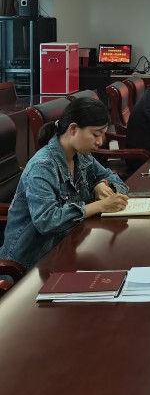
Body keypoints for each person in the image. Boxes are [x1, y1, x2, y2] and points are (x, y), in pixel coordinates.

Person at [0, 98, 129, 273]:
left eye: (103, 134)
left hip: (68, 246)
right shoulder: (42, 166)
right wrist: (99, 205)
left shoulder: (81, 156)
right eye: (95, 134)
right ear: (73, 129)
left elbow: (114, 179)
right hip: (31, 264)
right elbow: (47, 221)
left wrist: (101, 183)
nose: (100, 141)